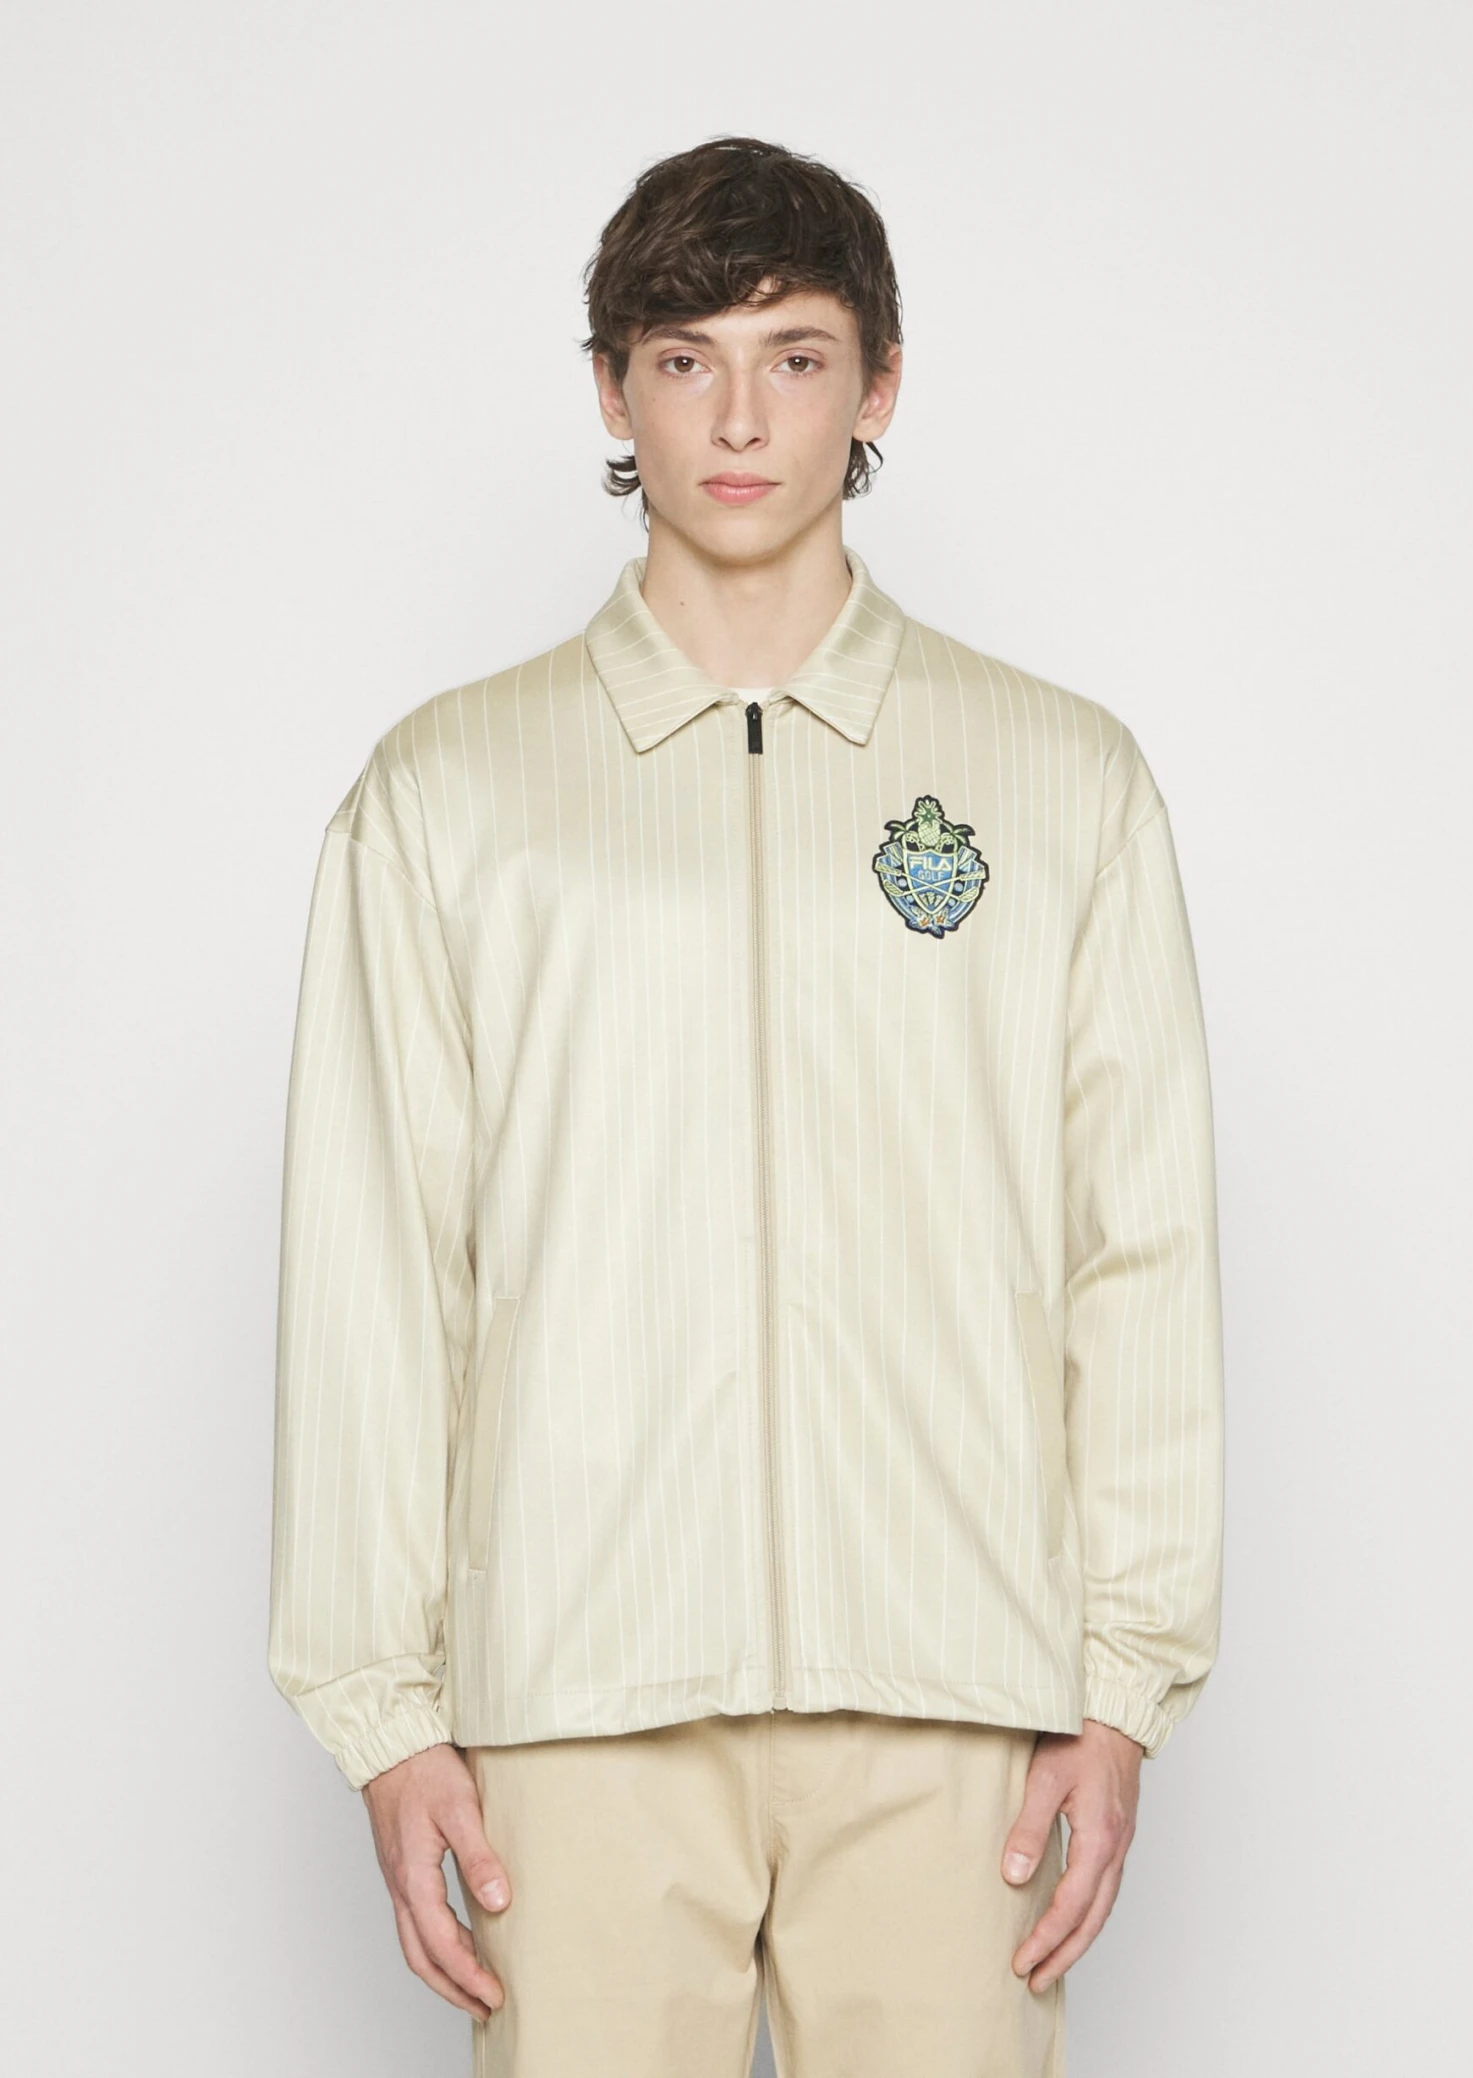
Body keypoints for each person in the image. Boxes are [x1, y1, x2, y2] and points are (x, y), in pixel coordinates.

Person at [268, 134, 1224, 2078]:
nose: (737, 419)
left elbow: (1139, 1247)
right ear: (610, 389)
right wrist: (384, 1712)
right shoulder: (450, 796)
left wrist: (1122, 1681)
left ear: (879, 385)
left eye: (795, 358)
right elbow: (375, 1261)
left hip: (953, 1693)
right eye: (684, 359)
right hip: (575, 1701)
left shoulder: (1060, 784)